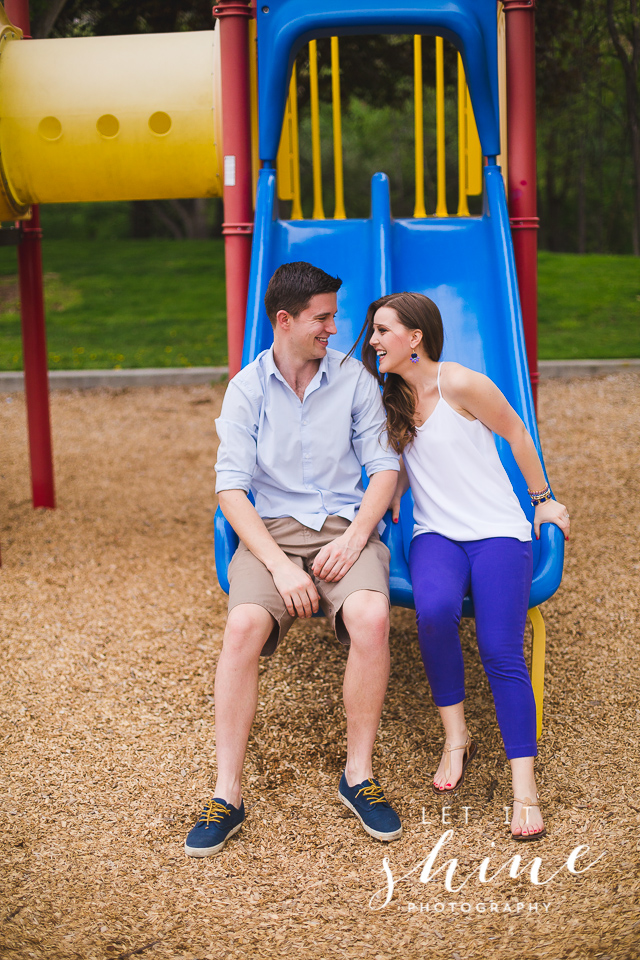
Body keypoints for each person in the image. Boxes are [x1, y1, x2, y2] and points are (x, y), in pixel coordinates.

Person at [184, 262, 402, 857]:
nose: (335, 328)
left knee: (372, 618)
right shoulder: (246, 389)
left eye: (334, 316)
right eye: (322, 318)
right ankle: (227, 794)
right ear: (284, 321)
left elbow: (385, 467)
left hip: (342, 525)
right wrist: (281, 566)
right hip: (273, 530)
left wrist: (357, 537)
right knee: (243, 627)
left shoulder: (354, 379)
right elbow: (231, 490)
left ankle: (358, 776)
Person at [353, 291, 570, 842]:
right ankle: (457, 738)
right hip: (436, 535)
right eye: (373, 331)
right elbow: (395, 462)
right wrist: (395, 490)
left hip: (498, 530)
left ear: (415, 338)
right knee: (434, 614)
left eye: (382, 330)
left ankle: (526, 791)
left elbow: (517, 432)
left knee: (500, 649)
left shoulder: (461, 384)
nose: (373, 340)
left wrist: (542, 498)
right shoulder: (388, 399)